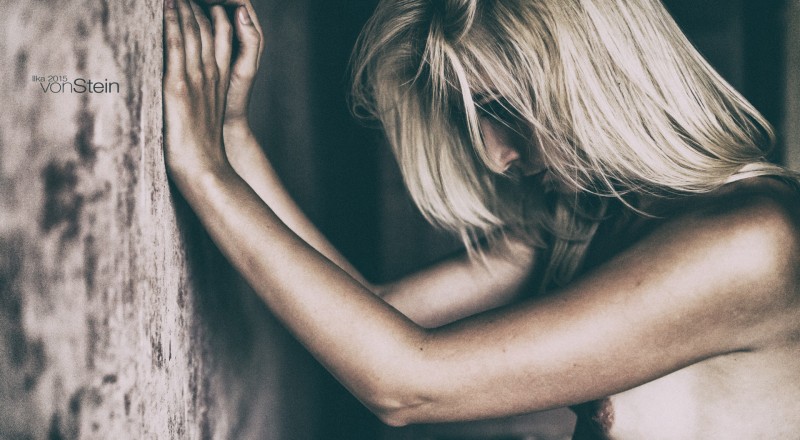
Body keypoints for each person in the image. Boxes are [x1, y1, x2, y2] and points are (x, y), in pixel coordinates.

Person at [162, 0, 800, 437]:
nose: (497, 157)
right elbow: (371, 314)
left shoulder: (753, 245)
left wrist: (205, 173)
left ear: (593, 75)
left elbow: (406, 384)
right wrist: (233, 141)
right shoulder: (591, 216)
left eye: (502, 110)